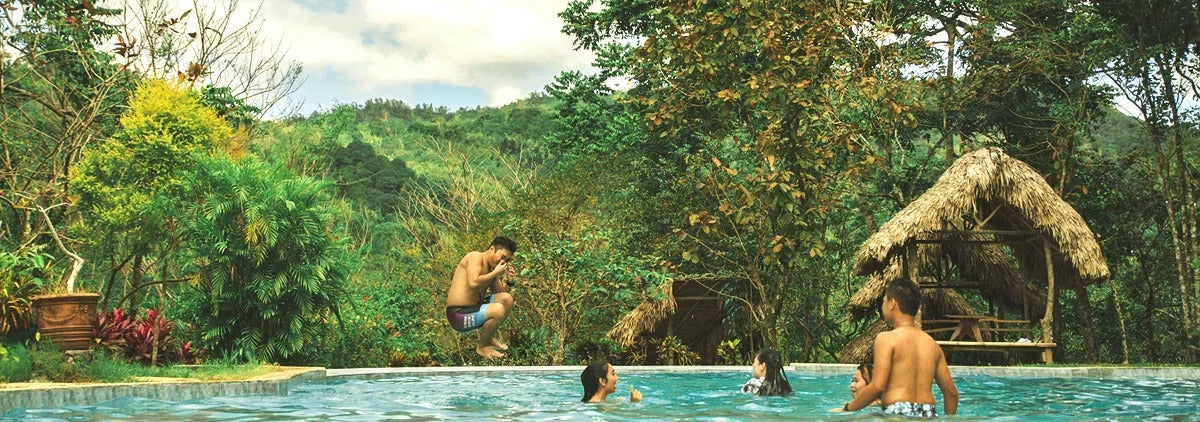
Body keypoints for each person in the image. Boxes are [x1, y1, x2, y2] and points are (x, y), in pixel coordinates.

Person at [844, 278, 959, 417]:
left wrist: (848, 409)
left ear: (892, 303)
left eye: (884, 300)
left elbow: (877, 386)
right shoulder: (933, 345)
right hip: (928, 413)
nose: (883, 305)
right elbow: (951, 392)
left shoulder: (886, 339)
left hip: (897, 412)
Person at [445, 236, 518, 358]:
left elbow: (502, 295)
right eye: (502, 257)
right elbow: (473, 282)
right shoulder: (475, 257)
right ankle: (482, 347)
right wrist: (495, 273)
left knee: (507, 300)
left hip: (475, 309)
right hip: (458, 315)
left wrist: (509, 282)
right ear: (491, 249)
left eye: (507, 260)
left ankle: (488, 338)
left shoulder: (491, 270)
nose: (503, 262)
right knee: (497, 310)